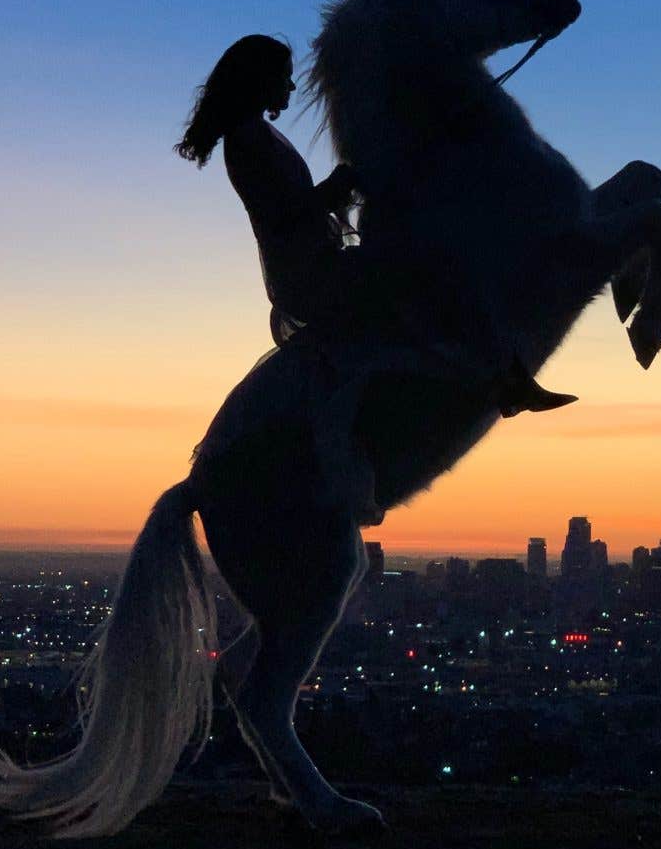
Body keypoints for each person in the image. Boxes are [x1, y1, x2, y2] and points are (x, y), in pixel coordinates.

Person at [176, 35, 573, 523]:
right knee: (430, 275)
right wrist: (338, 186)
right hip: (312, 272)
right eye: (282, 75)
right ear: (260, 79)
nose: (291, 85)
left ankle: (499, 375)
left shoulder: (253, 134)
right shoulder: (249, 139)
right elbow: (284, 215)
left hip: (311, 259)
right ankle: (496, 378)